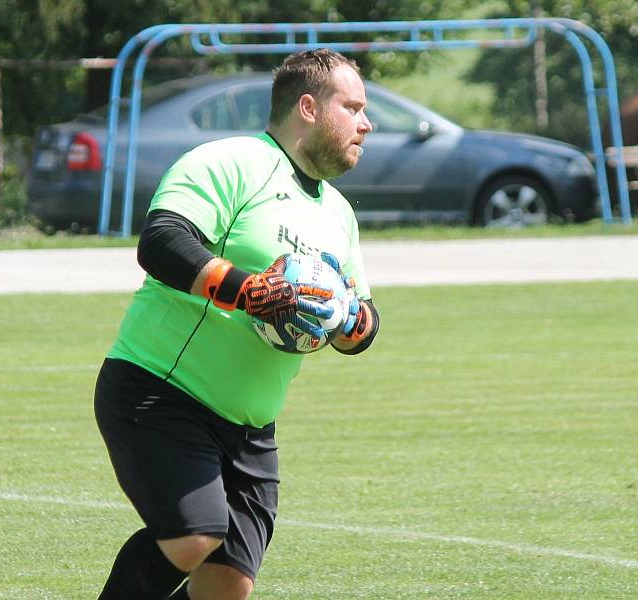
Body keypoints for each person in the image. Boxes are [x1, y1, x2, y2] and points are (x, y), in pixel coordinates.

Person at [94, 48, 379, 600]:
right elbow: (163, 240)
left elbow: (365, 318)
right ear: (309, 107)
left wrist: (344, 317)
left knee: (226, 586)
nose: (366, 123)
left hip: (250, 429)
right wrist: (248, 290)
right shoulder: (230, 162)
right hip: (160, 391)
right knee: (194, 535)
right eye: (354, 107)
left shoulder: (338, 213)